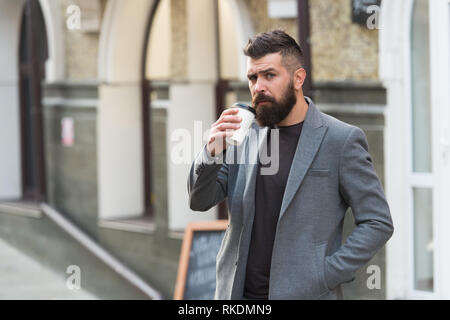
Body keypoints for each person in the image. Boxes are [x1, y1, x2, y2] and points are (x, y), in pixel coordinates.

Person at [187, 30, 394, 300]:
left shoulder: (341, 140)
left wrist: (325, 273)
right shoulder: (244, 133)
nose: (258, 86)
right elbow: (199, 201)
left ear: (298, 78)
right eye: (253, 77)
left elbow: (377, 221)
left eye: (269, 75)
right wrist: (211, 152)